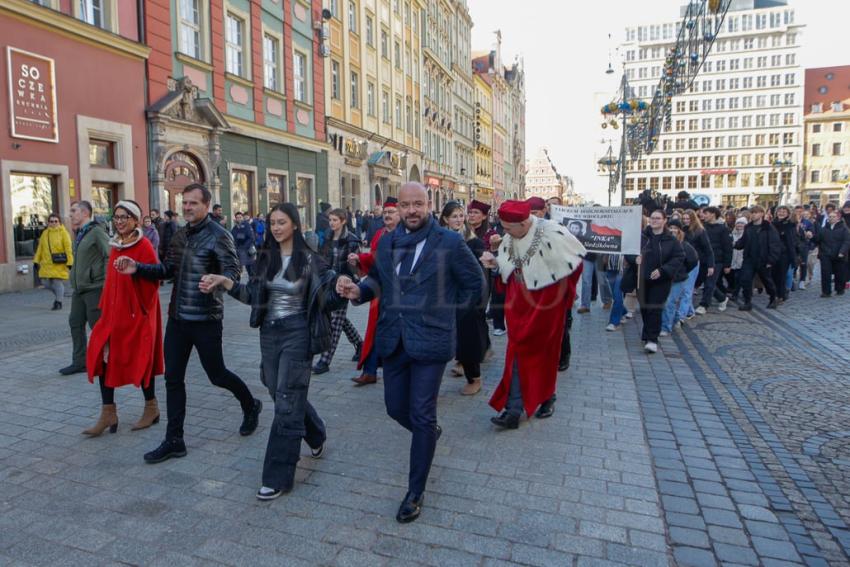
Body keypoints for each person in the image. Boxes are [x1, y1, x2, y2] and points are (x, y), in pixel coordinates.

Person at [335, 182, 485, 524]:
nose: (412, 210)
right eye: (406, 205)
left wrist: (447, 316)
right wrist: (357, 290)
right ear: (398, 208)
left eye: (418, 203)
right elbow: (378, 280)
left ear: (429, 204)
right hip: (394, 340)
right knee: (394, 408)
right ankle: (428, 433)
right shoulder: (387, 242)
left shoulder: (448, 241)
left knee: (421, 414)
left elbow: (475, 286)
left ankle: (415, 491)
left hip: (431, 343)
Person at [200, 204, 343, 500]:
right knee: (278, 391)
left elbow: (327, 298)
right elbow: (254, 297)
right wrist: (226, 282)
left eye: (282, 222)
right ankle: (315, 432)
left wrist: (343, 287)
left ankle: (277, 475)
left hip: (298, 333)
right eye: (272, 222)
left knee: (287, 400)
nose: (276, 228)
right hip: (270, 334)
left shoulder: (310, 260)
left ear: (295, 225)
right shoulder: (266, 259)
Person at [114, 183, 263, 464]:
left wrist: (219, 280)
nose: (187, 207)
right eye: (185, 203)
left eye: (193, 203)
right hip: (178, 318)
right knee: (173, 379)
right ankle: (174, 440)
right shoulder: (180, 236)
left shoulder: (220, 235)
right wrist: (138, 269)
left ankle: (250, 404)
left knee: (217, 375)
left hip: (206, 318)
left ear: (206, 205)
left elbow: (232, 270)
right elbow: (168, 269)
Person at [481, 200, 585, 428]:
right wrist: (495, 264)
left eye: (508, 229)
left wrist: (563, 296)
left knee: (544, 355)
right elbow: (509, 266)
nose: (504, 233)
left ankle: (544, 398)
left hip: (547, 308)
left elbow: (575, 264)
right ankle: (515, 406)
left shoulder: (553, 232)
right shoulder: (511, 236)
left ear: (524, 222)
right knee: (517, 354)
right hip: (518, 307)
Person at [84, 200, 162, 436]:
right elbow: (112, 283)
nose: (119, 222)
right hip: (112, 315)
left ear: (135, 220)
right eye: (116, 217)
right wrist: (106, 308)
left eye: (124, 217)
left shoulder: (144, 245)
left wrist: (136, 307)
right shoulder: (115, 245)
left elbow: (154, 281)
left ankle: (152, 407)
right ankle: (108, 413)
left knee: (142, 358)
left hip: (137, 314)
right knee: (101, 356)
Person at [349, 197, 400, 386]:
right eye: (385, 212)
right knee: (375, 330)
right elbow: (374, 260)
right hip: (379, 291)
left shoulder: (407, 235)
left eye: (391, 212)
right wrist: (360, 259)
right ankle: (370, 371)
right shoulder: (379, 234)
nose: (387, 215)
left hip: (400, 295)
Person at [439, 201, 489, 396]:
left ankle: (474, 378)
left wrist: (476, 301)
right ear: (445, 219)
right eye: (454, 216)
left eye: (461, 215)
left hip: (466, 298)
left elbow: (478, 276)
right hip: (444, 296)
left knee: (468, 339)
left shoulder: (473, 241)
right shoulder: (438, 239)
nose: (459, 219)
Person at [60, 201, 110, 375]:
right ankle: (79, 362)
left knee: (97, 325)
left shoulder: (96, 231)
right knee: (75, 322)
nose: (71, 214)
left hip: (94, 288)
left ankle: (109, 360)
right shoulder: (80, 233)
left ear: (85, 213)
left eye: (74, 211)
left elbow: (109, 255)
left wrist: (103, 280)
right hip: (79, 289)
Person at [313, 208, 363, 374]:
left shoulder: (352, 240)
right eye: (330, 220)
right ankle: (360, 344)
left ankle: (325, 361)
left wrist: (350, 279)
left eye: (335, 220)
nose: (332, 223)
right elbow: (320, 260)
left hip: (344, 285)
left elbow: (358, 268)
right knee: (341, 319)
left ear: (343, 221)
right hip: (328, 283)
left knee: (335, 323)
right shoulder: (326, 237)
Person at [637, 210, 684, 353]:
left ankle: (652, 339)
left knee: (654, 308)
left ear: (664, 221)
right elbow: (630, 251)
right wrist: (634, 259)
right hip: (642, 279)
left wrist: (663, 270)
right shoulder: (642, 237)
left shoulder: (671, 240)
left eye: (658, 218)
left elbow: (678, 257)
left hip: (661, 280)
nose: (654, 220)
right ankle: (647, 334)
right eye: (652, 218)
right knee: (645, 308)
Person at [734, 205, 781, 311]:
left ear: (761, 214)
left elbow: (775, 245)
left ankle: (773, 298)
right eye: (752, 213)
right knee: (745, 279)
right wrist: (736, 244)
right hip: (749, 258)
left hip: (763, 259)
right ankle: (747, 302)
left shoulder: (768, 227)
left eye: (756, 213)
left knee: (766, 280)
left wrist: (771, 260)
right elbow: (743, 241)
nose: (753, 215)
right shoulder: (749, 227)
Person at [661, 220, 699, 336]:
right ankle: (677, 318)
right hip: (665, 277)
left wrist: (682, 271)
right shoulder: (664, 242)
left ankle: (665, 327)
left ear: (680, 230)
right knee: (665, 302)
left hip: (678, 279)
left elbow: (693, 261)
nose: (673, 230)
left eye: (675, 228)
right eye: (671, 228)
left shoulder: (685, 245)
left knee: (670, 302)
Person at [34, 213, 73, 311]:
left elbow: (68, 248)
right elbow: (40, 248)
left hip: (59, 262)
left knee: (57, 282)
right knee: (45, 283)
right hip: (46, 264)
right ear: (48, 222)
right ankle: (60, 294)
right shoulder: (45, 233)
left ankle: (58, 302)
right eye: (51, 221)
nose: (54, 223)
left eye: (56, 221)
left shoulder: (64, 233)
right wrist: (36, 260)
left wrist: (70, 262)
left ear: (59, 222)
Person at [697, 207, 731, 313]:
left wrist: (727, 264)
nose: (703, 215)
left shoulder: (723, 229)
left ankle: (704, 305)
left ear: (713, 214)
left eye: (705, 213)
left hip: (717, 260)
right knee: (706, 282)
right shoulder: (702, 227)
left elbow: (727, 247)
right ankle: (722, 298)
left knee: (710, 283)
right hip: (703, 259)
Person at [810, 209, 850, 297]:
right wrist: (811, 237)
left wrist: (842, 252)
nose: (832, 218)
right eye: (830, 217)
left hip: (839, 254)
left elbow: (847, 241)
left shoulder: (844, 229)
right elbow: (817, 239)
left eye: (834, 217)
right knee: (825, 273)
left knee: (839, 273)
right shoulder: (824, 229)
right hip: (825, 254)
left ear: (838, 218)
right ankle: (826, 292)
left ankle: (840, 289)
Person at [772, 206, 797, 302]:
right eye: (779, 211)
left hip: (784, 254)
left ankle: (780, 295)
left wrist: (793, 257)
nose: (781, 213)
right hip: (773, 253)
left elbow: (791, 242)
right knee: (774, 275)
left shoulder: (790, 225)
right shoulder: (772, 224)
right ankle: (776, 294)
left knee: (782, 275)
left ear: (788, 214)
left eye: (784, 211)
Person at [231, 211, 257, 276]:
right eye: (237, 217)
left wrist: (244, 246)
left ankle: (253, 283)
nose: (239, 219)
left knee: (250, 269)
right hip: (239, 250)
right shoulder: (235, 227)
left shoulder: (246, 225)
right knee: (239, 268)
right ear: (235, 219)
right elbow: (233, 237)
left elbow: (251, 238)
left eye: (240, 217)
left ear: (242, 218)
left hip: (247, 250)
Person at [728, 217, 747, 301]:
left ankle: (735, 293)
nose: (740, 225)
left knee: (738, 277)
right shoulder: (732, 234)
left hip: (742, 259)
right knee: (732, 277)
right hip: (732, 259)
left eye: (742, 223)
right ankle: (733, 290)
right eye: (738, 223)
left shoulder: (746, 234)